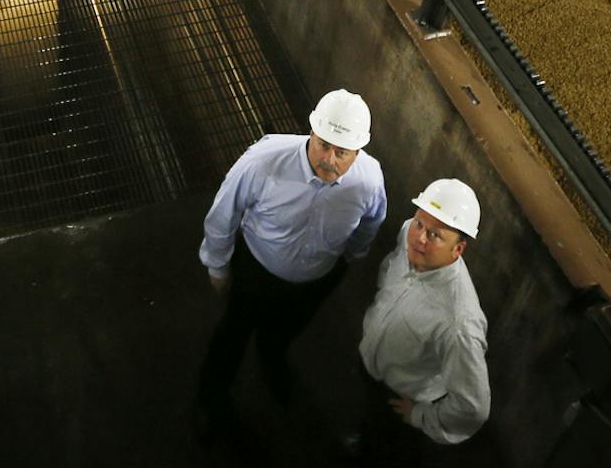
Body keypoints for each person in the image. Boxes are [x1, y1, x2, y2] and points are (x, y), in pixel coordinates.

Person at [195, 89, 387, 437]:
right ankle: (212, 399)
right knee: (232, 334)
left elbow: (372, 221)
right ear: (311, 133)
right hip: (256, 273)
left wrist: (353, 255)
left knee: (284, 330)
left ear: (357, 152)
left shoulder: (369, 179)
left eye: (341, 152)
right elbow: (224, 213)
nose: (329, 159)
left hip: (316, 280)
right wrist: (218, 264)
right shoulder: (263, 162)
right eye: (323, 145)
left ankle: (272, 360)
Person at [354, 178, 491, 461]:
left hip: (399, 397)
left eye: (435, 235)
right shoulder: (410, 233)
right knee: (366, 420)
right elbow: (391, 268)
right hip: (371, 365)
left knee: (386, 449)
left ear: (458, 249)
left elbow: (473, 406)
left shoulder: (459, 323)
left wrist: (420, 415)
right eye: (419, 223)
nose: (419, 238)